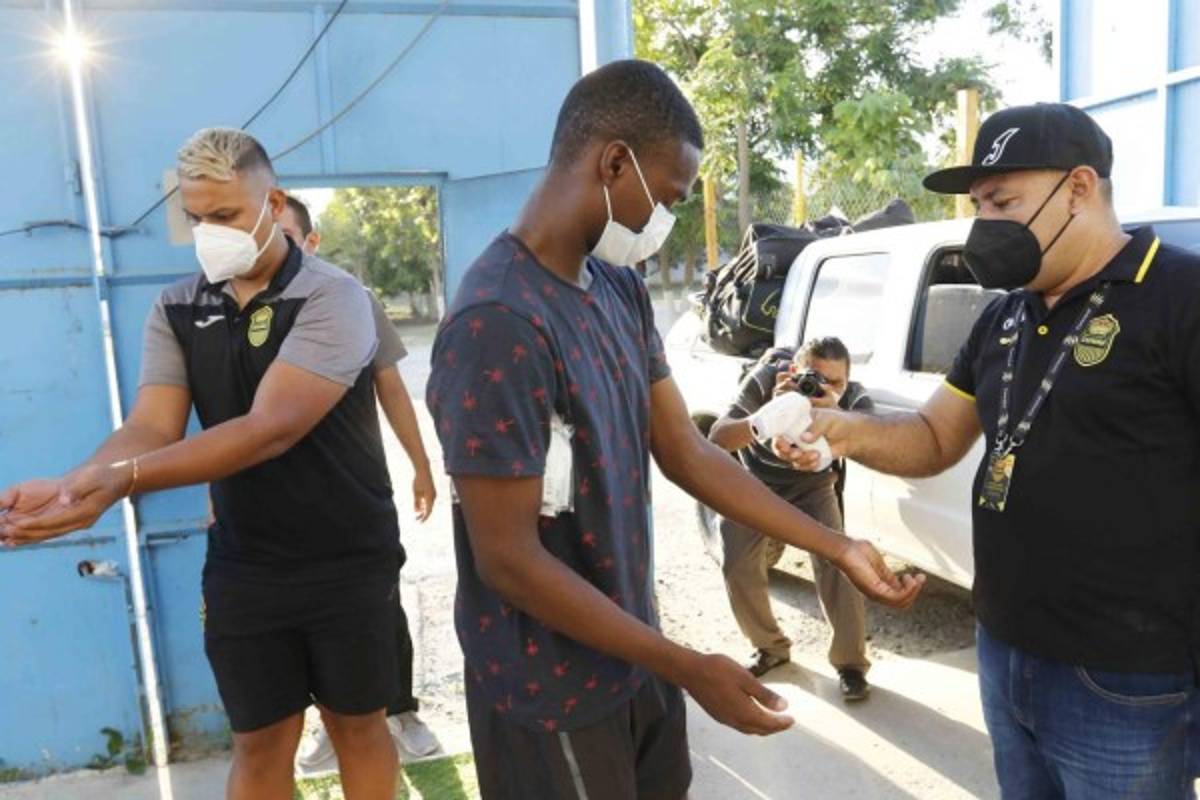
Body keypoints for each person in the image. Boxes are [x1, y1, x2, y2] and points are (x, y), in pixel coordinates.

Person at [424, 59, 923, 799]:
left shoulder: (617, 287)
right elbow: (509, 560)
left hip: (633, 658)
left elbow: (686, 451)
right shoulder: (499, 320)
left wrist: (837, 544)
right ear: (613, 163)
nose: (668, 219)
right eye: (667, 196)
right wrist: (687, 666)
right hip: (548, 695)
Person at [797, 103, 1200, 799]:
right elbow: (932, 439)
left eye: (1003, 201)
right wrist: (838, 430)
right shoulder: (1003, 314)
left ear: (1079, 187)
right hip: (1005, 648)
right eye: (979, 204)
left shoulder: (1180, 297)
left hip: (1127, 679)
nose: (984, 223)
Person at [0, 128, 401, 800]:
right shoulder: (178, 307)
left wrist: (116, 484)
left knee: (357, 728)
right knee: (259, 741)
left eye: (226, 215)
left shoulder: (335, 297)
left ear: (273, 204)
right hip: (245, 565)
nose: (209, 231)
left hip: (347, 560)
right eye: (196, 218)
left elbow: (270, 428)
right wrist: (74, 487)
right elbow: (150, 426)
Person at [276, 195, 439, 766]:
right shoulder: (243, 312)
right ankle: (334, 723)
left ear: (312, 241)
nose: (274, 250)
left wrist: (421, 464)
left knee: (381, 607)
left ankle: (402, 712)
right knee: (307, 621)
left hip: (356, 497)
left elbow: (392, 389)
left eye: (287, 238)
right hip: (279, 507)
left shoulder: (353, 300)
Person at [708, 337, 874, 700]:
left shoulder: (852, 397)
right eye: (814, 378)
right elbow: (718, 437)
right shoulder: (767, 379)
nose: (822, 388)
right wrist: (765, 417)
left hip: (813, 487)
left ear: (848, 382)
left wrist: (837, 415)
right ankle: (770, 648)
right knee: (737, 562)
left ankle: (851, 665)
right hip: (754, 483)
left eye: (836, 383)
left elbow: (876, 440)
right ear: (793, 371)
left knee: (840, 563)